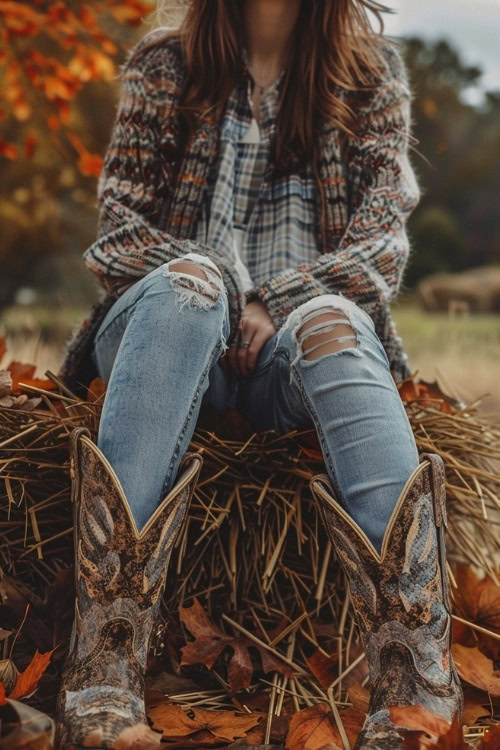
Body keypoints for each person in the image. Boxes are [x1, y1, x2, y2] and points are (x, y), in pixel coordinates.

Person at [55, 1, 463, 748]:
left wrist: (277, 301)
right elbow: (118, 235)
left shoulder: (372, 75)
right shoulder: (164, 64)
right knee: (190, 288)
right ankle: (105, 660)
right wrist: (222, 287)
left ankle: (414, 680)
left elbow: (382, 245)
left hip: (288, 349)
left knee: (333, 323)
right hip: (170, 340)